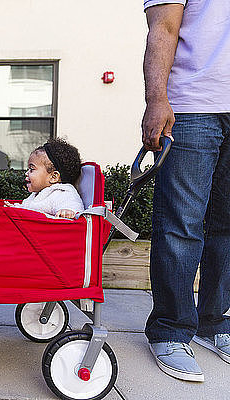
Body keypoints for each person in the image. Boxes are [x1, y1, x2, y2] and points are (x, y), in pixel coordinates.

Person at [142, 0, 230, 382]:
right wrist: (156, 99)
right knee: (181, 224)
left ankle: (214, 322)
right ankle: (171, 329)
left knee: (227, 227)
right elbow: (163, 29)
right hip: (194, 106)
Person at [6, 138, 84, 218]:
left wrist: (67, 211)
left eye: (32, 169)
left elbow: (74, 207)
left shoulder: (62, 194)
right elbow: (28, 209)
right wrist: (16, 208)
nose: (26, 173)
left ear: (53, 177)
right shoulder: (36, 194)